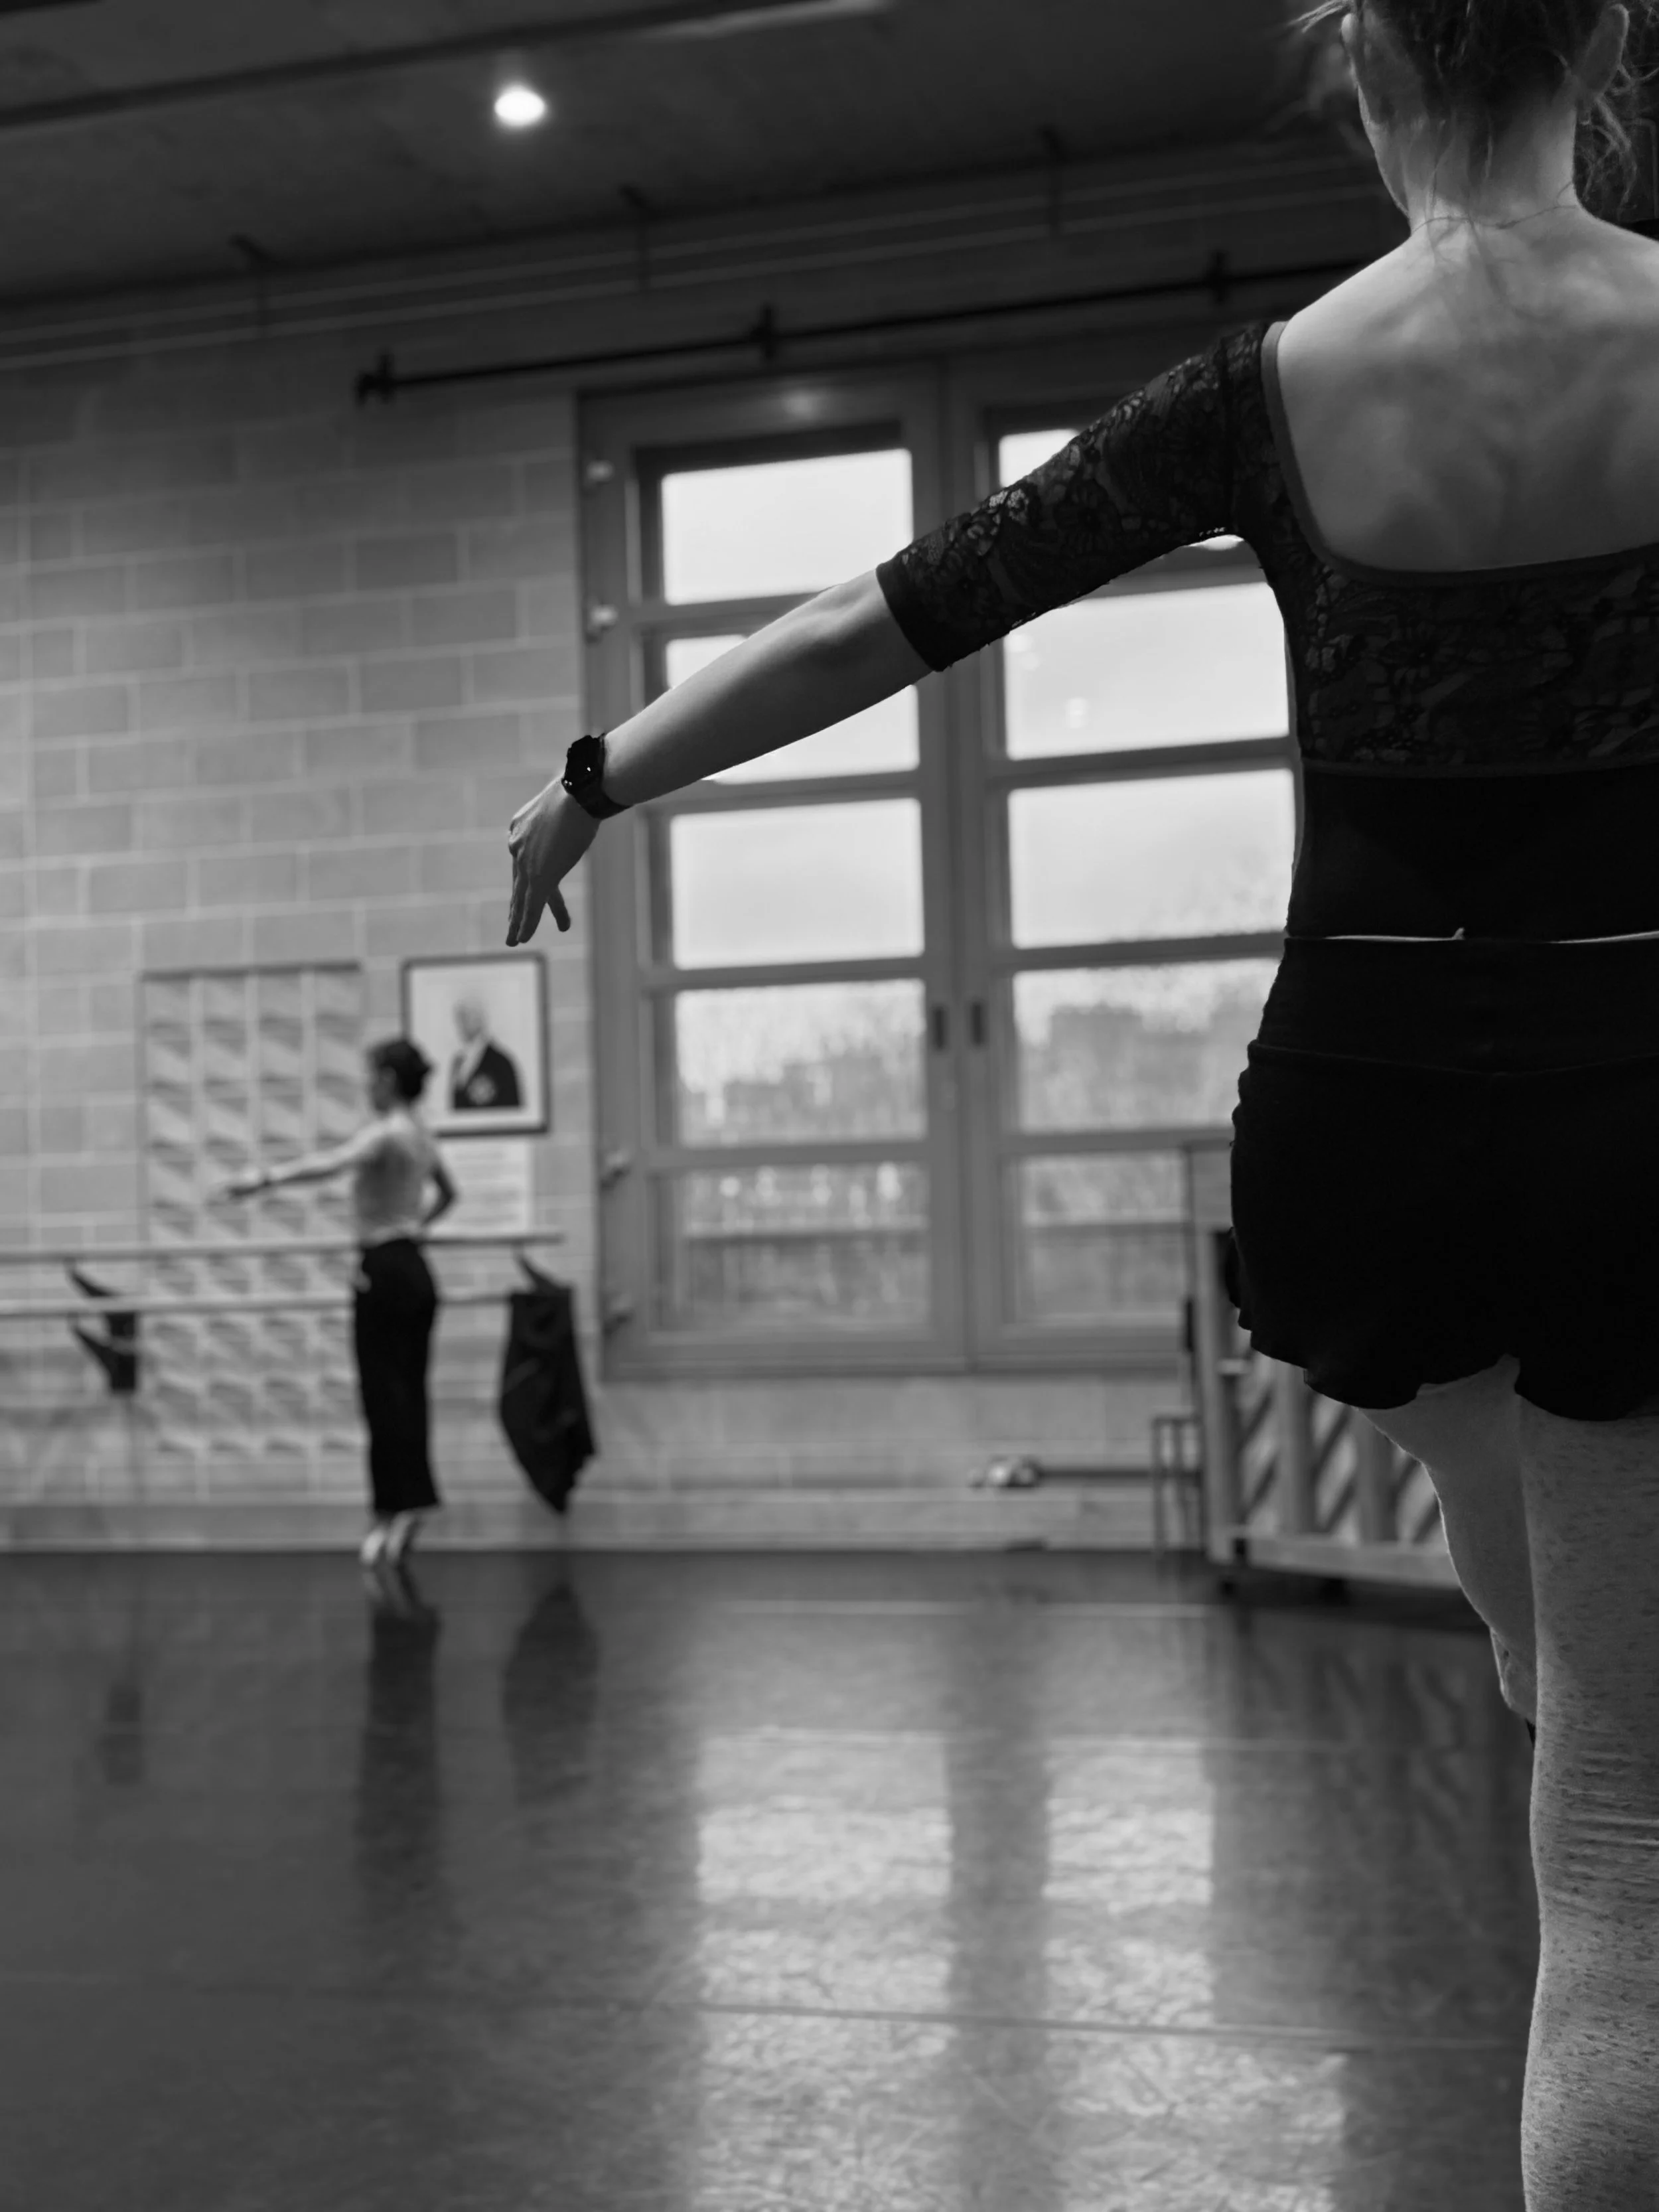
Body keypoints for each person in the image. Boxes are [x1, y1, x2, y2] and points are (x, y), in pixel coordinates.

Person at [504, 5, 1659, 2197]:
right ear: (1599, 46)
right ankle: (1577, 1665)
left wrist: (600, 777)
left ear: (1367, 67)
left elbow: (888, 610)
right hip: (1626, 1085)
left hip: (1360, 1113)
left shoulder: (1268, 386)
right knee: (1619, 1838)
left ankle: (1541, 1630)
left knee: (1524, 1587)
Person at [220, 1038, 458, 1569]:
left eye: (372, 1076)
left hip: (383, 1270)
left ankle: (390, 1511)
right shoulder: (423, 1135)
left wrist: (263, 1179)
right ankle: (412, 1502)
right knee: (409, 1393)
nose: (366, 1086)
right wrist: (416, 1226)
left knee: (382, 1396)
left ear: (389, 1080)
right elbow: (450, 1194)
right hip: (415, 1268)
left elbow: (330, 1163)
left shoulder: (387, 1134)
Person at [449, 993, 522, 1114]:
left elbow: (512, 1109)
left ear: (479, 1019)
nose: (461, 1025)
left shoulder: (501, 1062)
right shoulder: (459, 1061)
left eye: (465, 1017)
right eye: (459, 1019)